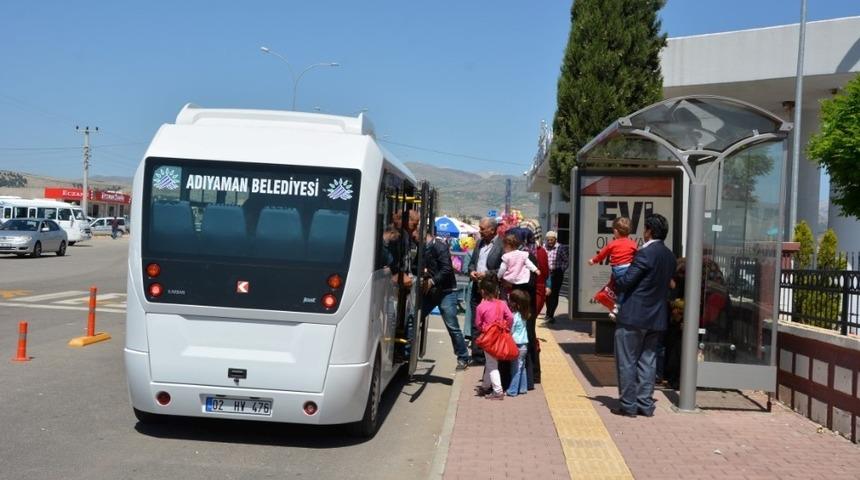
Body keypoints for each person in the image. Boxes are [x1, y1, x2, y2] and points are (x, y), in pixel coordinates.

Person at [611, 214, 676, 417]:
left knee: (627, 360)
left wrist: (617, 270)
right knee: (648, 362)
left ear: (648, 231)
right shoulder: (669, 256)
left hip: (633, 316)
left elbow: (625, 282)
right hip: (656, 318)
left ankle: (629, 405)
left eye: (645, 229)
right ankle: (645, 404)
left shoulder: (644, 254)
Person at [421, 231, 470, 371]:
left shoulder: (440, 246)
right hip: (430, 291)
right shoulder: (423, 247)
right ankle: (406, 351)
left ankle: (463, 357)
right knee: (414, 317)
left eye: (414, 235)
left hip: (446, 292)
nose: (413, 238)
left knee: (452, 327)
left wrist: (432, 280)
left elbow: (447, 269)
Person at [467, 217, 504, 364]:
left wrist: (487, 274)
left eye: (482, 229)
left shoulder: (501, 245)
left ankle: (490, 353)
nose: (480, 231)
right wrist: (472, 272)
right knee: (476, 322)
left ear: (492, 230)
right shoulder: (479, 243)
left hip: (492, 291)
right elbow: (471, 263)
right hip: (477, 289)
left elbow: (503, 270)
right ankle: (477, 356)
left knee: (490, 324)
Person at [588, 217, 638, 319]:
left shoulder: (613, 244)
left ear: (615, 231)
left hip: (617, 271)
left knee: (618, 288)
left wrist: (593, 261)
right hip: (628, 270)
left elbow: (602, 255)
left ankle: (615, 307)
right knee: (625, 289)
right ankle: (617, 308)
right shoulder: (633, 244)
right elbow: (638, 256)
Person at [474, 276, 512, 400]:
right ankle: (485, 386)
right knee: (490, 362)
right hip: (500, 336)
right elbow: (510, 318)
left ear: (483, 291)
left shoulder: (481, 307)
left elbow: (478, 324)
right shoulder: (503, 303)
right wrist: (506, 327)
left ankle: (498, 391)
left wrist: (484, 328)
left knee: (492, 364)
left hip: (488, 338)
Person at [506, 289, 530, 397]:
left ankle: (512, 390)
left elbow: (511, 330)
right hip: (524, 344)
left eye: (510, 300)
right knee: (522, 366)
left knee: (515, 368)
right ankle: (523, 387)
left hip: (516, 344)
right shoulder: (525, 314)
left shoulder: (514, 316)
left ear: (515, 303)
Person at [544, 231, 569, 324]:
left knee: (554, 294)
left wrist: (561, 269)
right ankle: (548, 312)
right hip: (546, 273)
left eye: (551, 240)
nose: (549, 242)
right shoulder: (544, 247)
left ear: (555, 239)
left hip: (557, 273)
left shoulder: (561, 248)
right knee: (547, 294)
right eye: (548, 240)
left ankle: (550, 314)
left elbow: (566, 260)